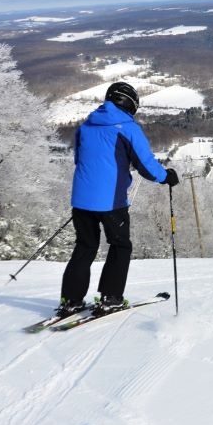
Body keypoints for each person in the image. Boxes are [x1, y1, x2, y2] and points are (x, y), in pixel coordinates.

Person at [57, 81, 179, 317]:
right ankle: (110, 298)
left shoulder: (85, 127)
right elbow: (147, 167)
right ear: (130, 104)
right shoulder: (128, 128)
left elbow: (80, 161)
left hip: (81, 200)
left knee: (85, 247)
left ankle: (70, 300)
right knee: (121, 245)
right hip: (111, 201)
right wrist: (167, 177)